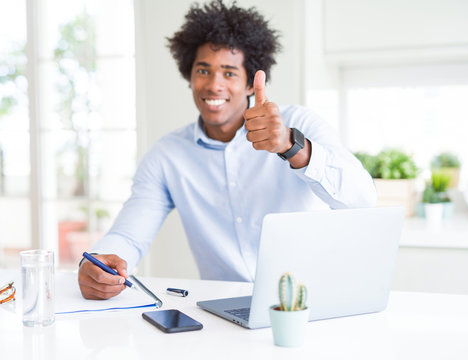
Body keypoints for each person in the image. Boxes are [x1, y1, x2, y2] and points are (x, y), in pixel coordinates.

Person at [78, 0, 376, 300]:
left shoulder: (299, 123)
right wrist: (103, 262)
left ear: (250, 84)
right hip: (226, 314)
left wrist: (291, 146)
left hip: (309, 304)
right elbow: (130, 235)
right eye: (203, 70)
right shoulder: (167, 156)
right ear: (189, 76)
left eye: (230, 73)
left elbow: (361, 200)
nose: (214, 85)